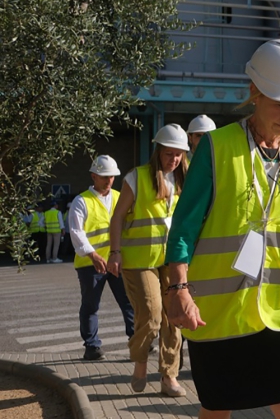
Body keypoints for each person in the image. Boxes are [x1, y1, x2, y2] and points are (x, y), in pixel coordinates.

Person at [166, 38, 280, 419]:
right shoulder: (215, 148)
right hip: (220, 314)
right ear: (255, 93)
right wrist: (177, 288)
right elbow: (183, 227)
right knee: (217, 409)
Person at [107, 124, 190, 397]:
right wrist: (115, 253)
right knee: (152, 316)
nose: (174, 159)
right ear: (158, 151)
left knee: (174, 318)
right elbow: (118, 217)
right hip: (139, 260)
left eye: (178, 154)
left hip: (173, 259)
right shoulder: (137, 177)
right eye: (169, 153)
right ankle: (140, 362)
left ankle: (169, 376)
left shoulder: (185, 179)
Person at [67, 155, 136, 361]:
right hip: (90, 264)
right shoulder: (81, 201)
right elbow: (76, 232)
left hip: (117, 261)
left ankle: (137, 340)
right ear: (93, 176)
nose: (109, 181)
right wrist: (93, 255)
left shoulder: (119, 197)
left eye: (112, 177)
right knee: (91, 306)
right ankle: (92, 347)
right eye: (105, 177)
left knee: (129, 302)